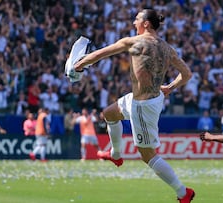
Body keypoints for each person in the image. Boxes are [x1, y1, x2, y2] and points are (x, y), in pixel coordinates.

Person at [74, 8, 195, 203]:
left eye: (136, 19)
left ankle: (183, 193)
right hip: (144, 98)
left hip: (143, 105)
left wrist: (79, 65)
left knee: (148, 156)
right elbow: (187, 74)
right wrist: (170, 88)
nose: (133, 23)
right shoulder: (166, 48)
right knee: (110, 113)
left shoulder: (134, 42)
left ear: (146, 23)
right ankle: (115, 154)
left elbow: (101, 54)